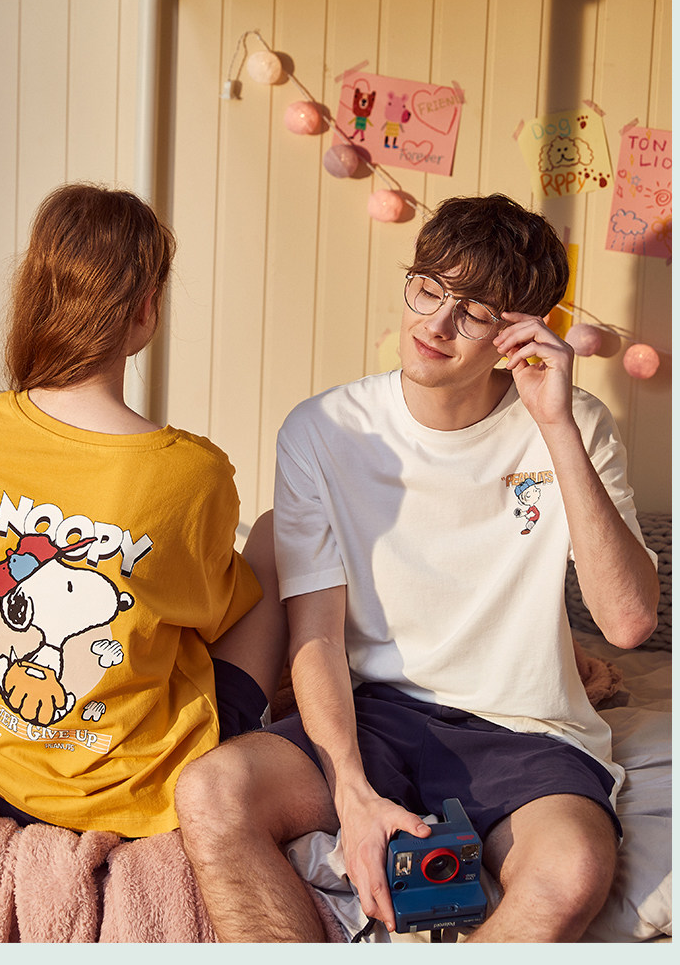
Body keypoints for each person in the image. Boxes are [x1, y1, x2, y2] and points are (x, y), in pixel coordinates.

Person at [174, 193, 659, 942]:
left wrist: (556, 424)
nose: (435, 323)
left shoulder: (576, 422)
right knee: (211, 791)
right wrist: (350, 786)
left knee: (572, 870)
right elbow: (318, 635)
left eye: (475, 312)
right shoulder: (322, 431)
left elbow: (627, 622)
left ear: (522, 331)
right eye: (428, 289)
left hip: (528, 730)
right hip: (378, 715)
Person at [0, 182, 286, 839]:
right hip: (138, 785)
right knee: (272, 536)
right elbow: (213, 617)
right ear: (146, 308)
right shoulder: (193, 472)